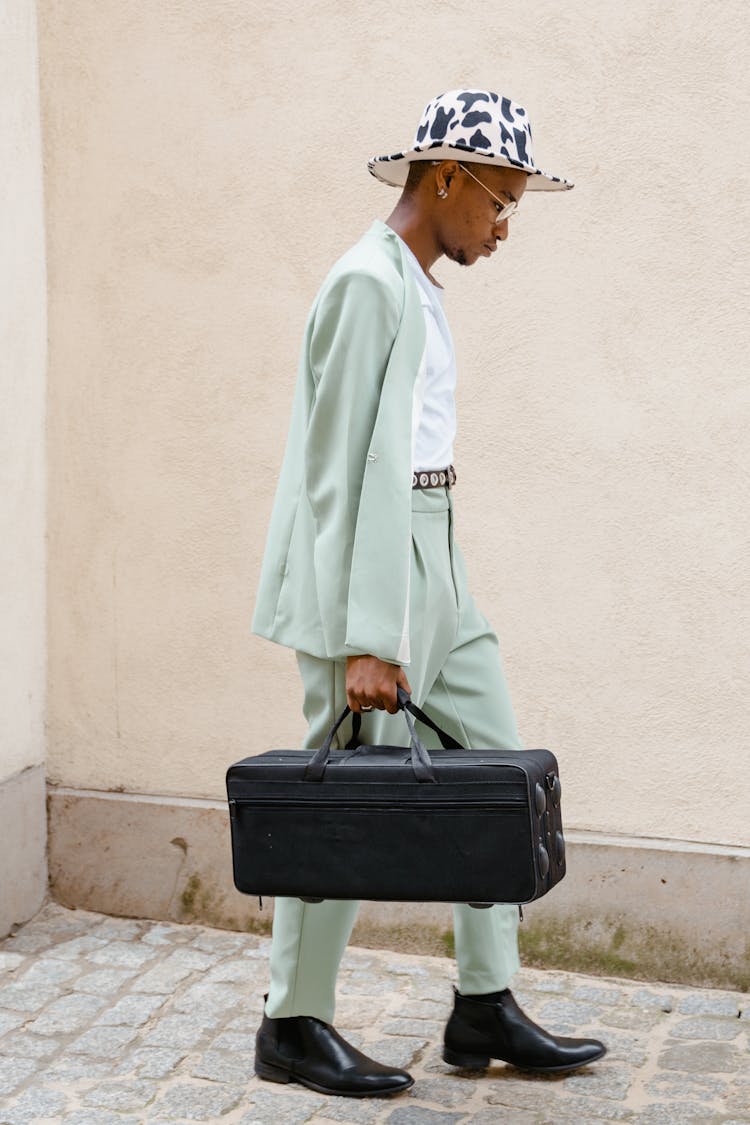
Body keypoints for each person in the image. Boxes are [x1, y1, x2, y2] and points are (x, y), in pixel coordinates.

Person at [250, 89, 606, 1098]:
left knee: (497, 768)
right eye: (501, 201)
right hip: (368, 565)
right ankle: (292, 1020)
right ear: (445, 177)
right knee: (338, 797)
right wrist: (369, 632)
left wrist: (436, 577)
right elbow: (340, 468)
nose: (505, 226)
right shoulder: (367, 284)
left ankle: (484, 1002)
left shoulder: (416, 285)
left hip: (434, 549)